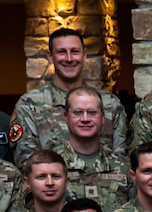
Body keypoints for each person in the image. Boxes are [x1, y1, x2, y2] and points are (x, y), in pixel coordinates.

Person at [11, 28, 126, 163]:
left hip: (104, 183)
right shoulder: (29, 105)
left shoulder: (110, 103)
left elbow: (123, 160)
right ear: (50, 56)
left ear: (84, 55)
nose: (69, 58)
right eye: (61, 52)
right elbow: (27, 164)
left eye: (75, 51)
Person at [58, 87, 133, 207]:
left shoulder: (123, 167)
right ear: (66, 117)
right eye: (78, 112)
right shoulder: (52, 166)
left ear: (102, 117)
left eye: (92, 112)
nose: (85, 119)